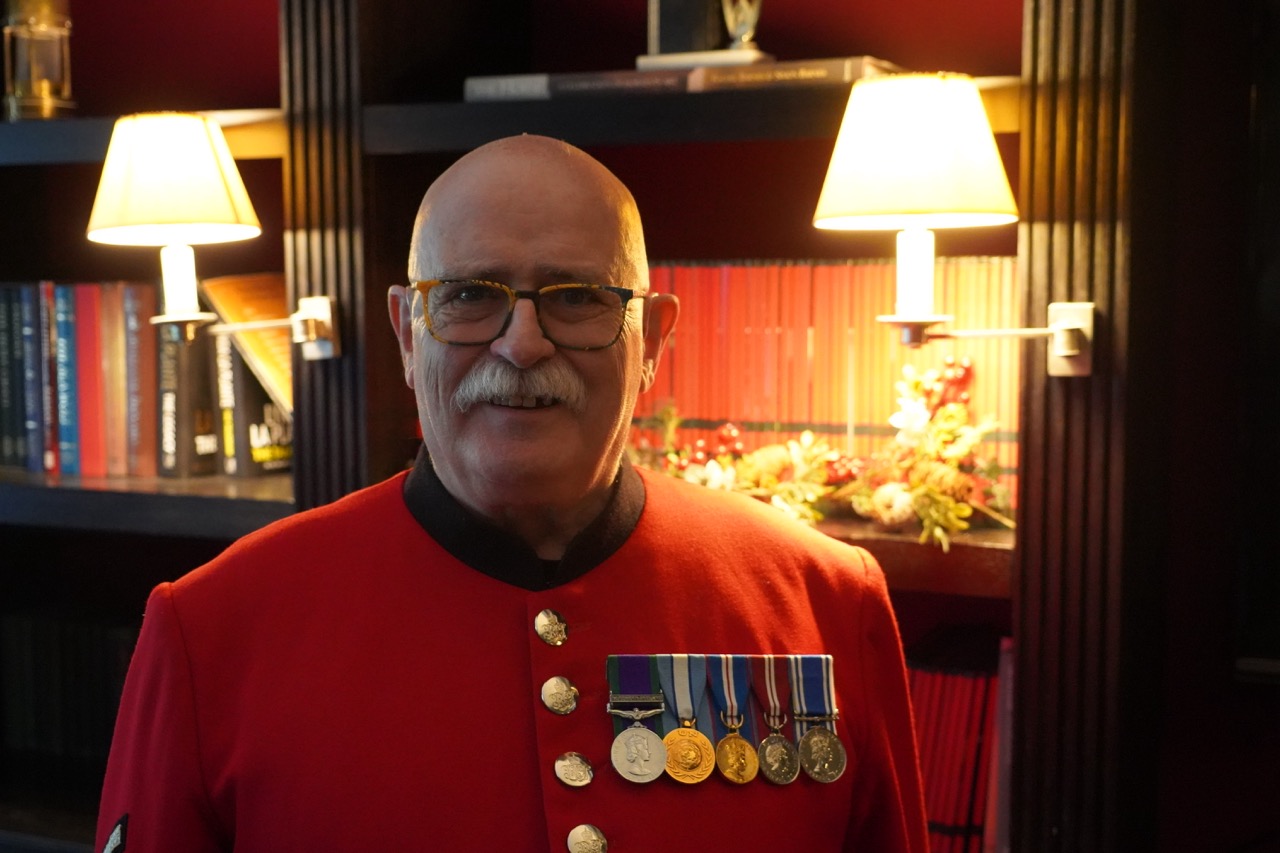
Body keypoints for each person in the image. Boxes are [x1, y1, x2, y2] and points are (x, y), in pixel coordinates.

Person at [96, 134, 928, 852]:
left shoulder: (827, 603)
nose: (523, 343)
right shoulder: (211, 631)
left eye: (576, 296)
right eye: (467, 296)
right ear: (404, 333)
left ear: (654, 339)